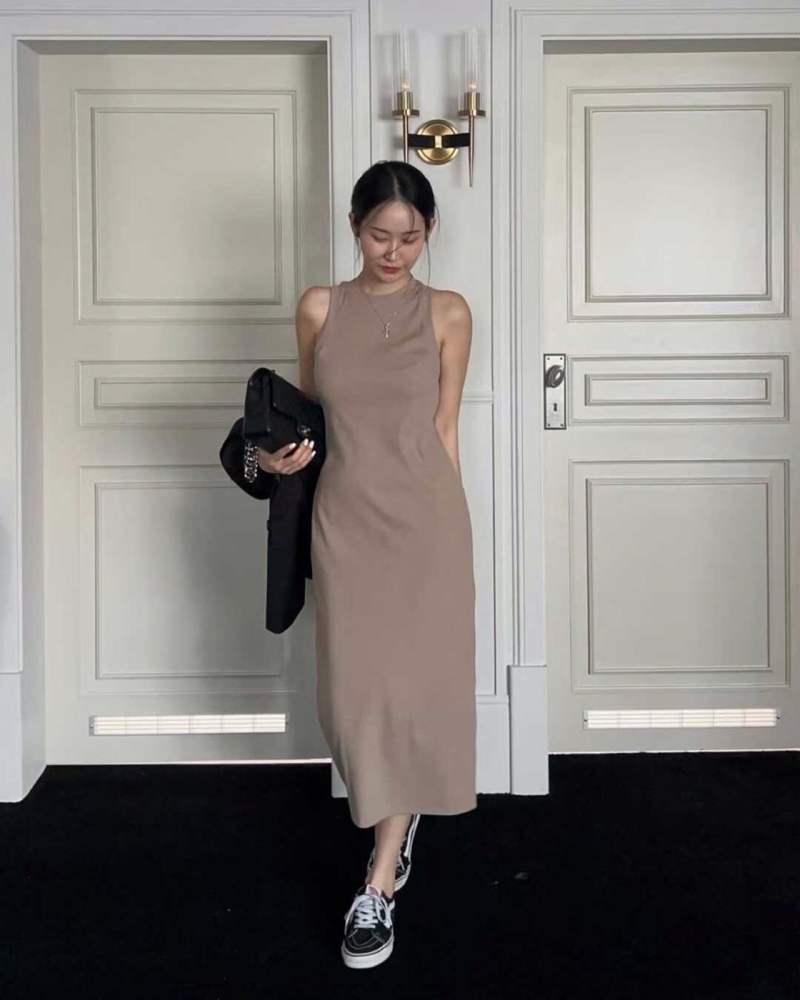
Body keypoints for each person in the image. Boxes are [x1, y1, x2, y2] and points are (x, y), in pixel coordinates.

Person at [257, 160, 476, 969]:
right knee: (354, 701)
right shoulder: (320, 307)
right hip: (345, 522)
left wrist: (455, 534)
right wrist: (275, 461)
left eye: (410, 238)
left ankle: (380, 878)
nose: (394, 251)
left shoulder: (448, 312)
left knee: (414, 694)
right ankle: (395, 819)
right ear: (355, 228)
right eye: (380, 235)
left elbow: (446, 428)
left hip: (426, 525)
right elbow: (311, 420)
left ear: (429, 233)